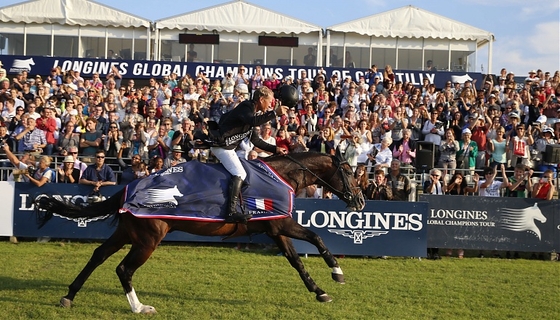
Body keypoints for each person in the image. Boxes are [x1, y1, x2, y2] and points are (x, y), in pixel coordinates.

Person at [208, 86, 290, 223]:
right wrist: (274, 113)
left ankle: (235, 206)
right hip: (221, 147)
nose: (270, 105)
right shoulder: (246, 106)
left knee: (242, 174)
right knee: (240, 174)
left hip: (227, 148)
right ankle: (230, 213)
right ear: (261, 99)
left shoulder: (253, 114)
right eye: (269, 101)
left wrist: (276, 149)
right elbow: (253, 122)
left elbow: (256, 140)